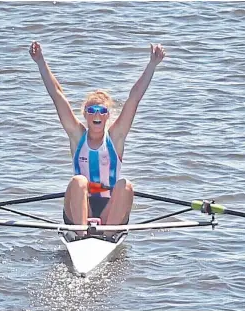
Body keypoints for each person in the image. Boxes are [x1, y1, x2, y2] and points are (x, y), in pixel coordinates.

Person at [29, 41, 165, 232]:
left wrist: (152, 65)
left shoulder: (115, 138)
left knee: (125, 185)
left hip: (111, 209)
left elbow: (134, 98)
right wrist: (40, 62)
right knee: (79, 181)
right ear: (85, 114)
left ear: (108, 115)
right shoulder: (77, 137)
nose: (97, 115)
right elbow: (57, 95)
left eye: (102, 111)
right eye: (91, 110)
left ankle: (107, 236)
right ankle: (81, 233)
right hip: (79, 205)